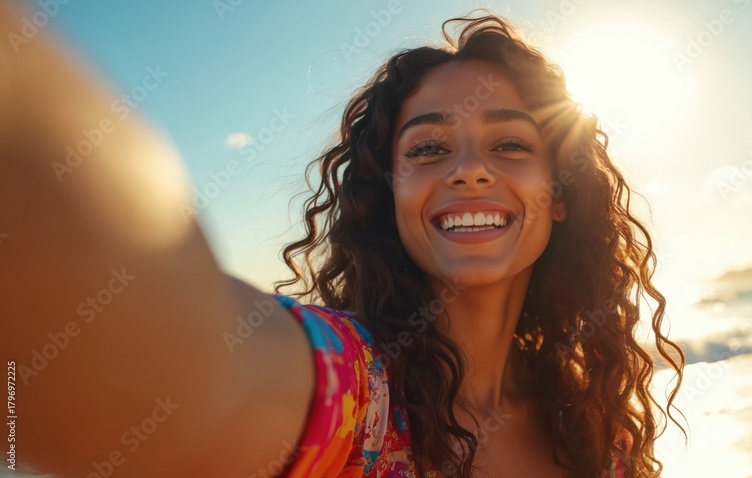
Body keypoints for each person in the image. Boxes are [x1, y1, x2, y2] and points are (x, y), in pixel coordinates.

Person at [0, 5, 684, 477]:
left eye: (509, 144)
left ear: (558, 194)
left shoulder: (600, 435)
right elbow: (182, 363)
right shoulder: (360, 395)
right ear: (389, 197)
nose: (470, 169)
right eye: (428, 148)